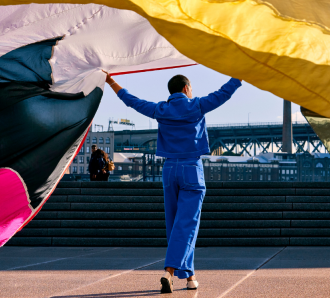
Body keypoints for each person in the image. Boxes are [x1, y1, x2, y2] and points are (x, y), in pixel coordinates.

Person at [102, 70, 241, 293]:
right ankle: (169, 271)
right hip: (191, 169)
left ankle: (190, 277)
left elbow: (131, 101)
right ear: (186, 89)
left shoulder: (160, 109)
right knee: (187, 224)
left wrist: (111, 81)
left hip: (169, 170)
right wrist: (239, 76)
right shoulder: (196, 105)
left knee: (175, 224)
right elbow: (223, 94)